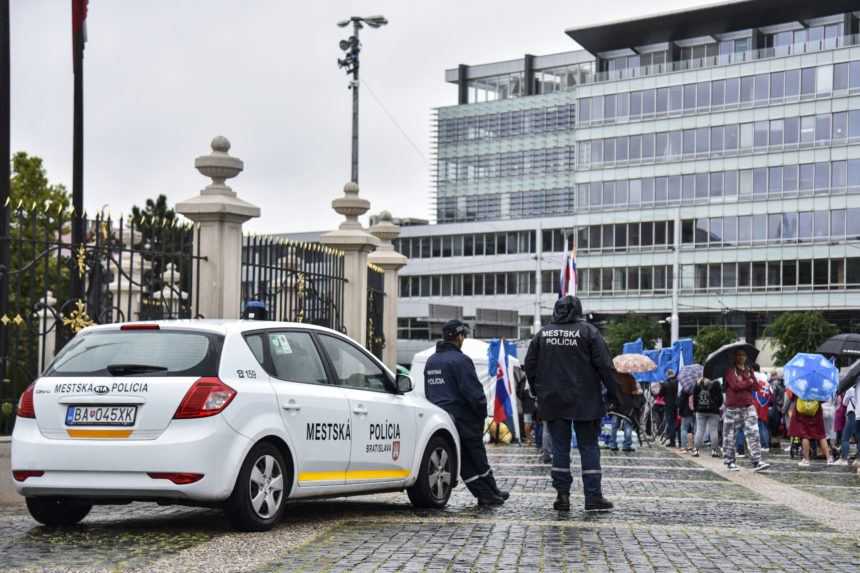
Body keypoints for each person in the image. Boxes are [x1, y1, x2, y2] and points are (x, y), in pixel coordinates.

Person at [524, 295, 620, 512]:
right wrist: (615, 395)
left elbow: (529, 365)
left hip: (553, 401)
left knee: (559, 448)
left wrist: (538, 390)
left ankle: (562, 495)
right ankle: (593, 497)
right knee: (588, 447)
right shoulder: (589, 332)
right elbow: (605, 366)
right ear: (578, 310)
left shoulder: (543, 334)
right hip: (586, 400)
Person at [423, 320, 509, 506]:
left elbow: (429, 392)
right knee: (478, 458)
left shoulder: (431, 361)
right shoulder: (461, 360)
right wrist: (481, 413)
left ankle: (488, 493)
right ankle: (490, 493)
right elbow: (473, 392)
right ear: (460, 336)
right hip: (464, 418)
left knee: (464, 463)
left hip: (441, 420)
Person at [722, 350, 770, 472]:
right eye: (738, 355)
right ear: (735, 357)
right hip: (732, 406)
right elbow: (735, 386)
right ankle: (730, 461)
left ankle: (757, 461)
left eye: (743, 355)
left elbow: (756, 387)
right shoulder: (729, 371)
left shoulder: (749, 370)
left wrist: (745, 380)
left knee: (754, 433)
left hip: (748, 405)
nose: (741, 357)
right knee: (730, 435)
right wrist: (748, 381)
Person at [787, 394, 834, 467]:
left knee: (805, 435)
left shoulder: (800, 385)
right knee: (821, 435)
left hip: (802, 412)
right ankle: (829, 458)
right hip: (816, 412)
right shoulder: (817, 386)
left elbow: (792, 397)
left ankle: (806, 459)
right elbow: (823, 399)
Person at [692, 377, 723, 457]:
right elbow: (720, 398)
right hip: (713, 411)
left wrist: (696, 408)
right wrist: (716, 406)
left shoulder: (698, 383)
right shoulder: (716, 383)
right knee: (713, 430)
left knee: (699, 430)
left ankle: (696, 450)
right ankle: (714, 450)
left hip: (700, 410)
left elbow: (694, 398)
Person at [837, 382, 859, 465]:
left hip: (852, 413)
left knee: (845, 437)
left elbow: (844, 403)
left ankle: (844, 459)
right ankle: (858, 459)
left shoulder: (851, 389)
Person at [662, 370, 679, 448]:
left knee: (670, 423)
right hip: (677, 404)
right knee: (677, 422)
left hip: (668, 405)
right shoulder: (678, 382)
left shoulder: (665, 383)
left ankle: (672, 441)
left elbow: (661, 393)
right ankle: (680, 440)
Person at [678, 380, 696, 453]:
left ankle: (684, 447)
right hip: (696, 411)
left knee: (684, 429)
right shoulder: (698, 387)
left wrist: (680, 410)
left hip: (686, 411)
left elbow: (680, 402)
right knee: (695, 429)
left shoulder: (685, 389)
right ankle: (694, 447)